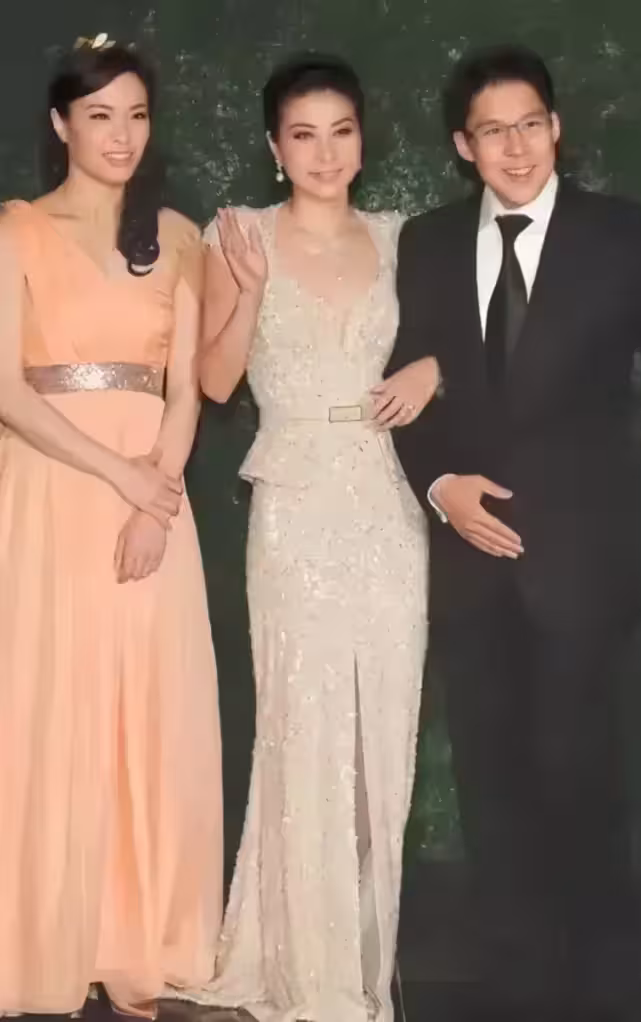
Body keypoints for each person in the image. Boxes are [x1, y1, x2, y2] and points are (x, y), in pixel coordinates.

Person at [386, 43, 641, 1022]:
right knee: (492, 790)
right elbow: (406, 382)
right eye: (492, 130)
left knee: (584, 787)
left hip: (582, 567)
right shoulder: (425, 242)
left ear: (557, 128)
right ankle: (518, 987)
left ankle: (601, 989)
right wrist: (439, 484)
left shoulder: (622, 234)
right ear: (463, 145)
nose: (515, 146)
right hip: (469, 565)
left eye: (530, 124)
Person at [180, 54, 437, 1022]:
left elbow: (466, 339)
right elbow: (212, 381)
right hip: (292, 502)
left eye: (340, 132)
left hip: (388, 502)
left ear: (362, 138)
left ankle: (364, 959)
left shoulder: (403, 236)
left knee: (384, 729)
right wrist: (247, 291)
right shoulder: (236, 234)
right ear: (272, 146)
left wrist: (435, 370)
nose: (324, 153)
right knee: (302, 728)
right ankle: (300, 966)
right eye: (302, 135)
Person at [0, 37, 223, 1019]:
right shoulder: (16, 230)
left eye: (135, 114)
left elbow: (187, 389)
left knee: (148, 701)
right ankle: (46, 934)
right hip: (51, 488)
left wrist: (155, 494)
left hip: (153, 503)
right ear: (61, 125)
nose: (121, 135)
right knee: (51, 700)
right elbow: (7, 389)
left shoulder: (175, 235)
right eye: (99, 116)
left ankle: (141, 937)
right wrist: (119, 476)